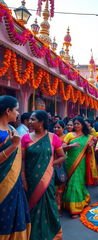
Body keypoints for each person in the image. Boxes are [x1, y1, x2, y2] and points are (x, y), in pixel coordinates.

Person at [21, 110, 65, 240]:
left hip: (47, 178)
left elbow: (62, 156)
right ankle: (32, 234)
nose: (30, 122)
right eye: (30, 119)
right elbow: (22, 160)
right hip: (30, 178)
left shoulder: (53, 137)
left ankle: (53, 233)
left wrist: (50, 164)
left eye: (33, 119)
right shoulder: (26, 138)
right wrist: (23, 178)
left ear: (41, 122)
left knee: (49, 205)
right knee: (31, 206)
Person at [0, 96, 31, 240]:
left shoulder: (12, 129)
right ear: (7, 111)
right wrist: (13, 145)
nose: (18, 113)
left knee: (14, 213)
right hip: (3, 183)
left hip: (15, 181)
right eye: (16, 110)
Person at [63, 116, 97, 218]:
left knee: (77, 182)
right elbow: (62, 147)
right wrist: (70, 146)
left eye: (78, 123)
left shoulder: (88, 137)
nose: (76, 125)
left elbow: (90, 152)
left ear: (82, 125)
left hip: (81, 163)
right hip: (70, 162)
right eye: (75, 124)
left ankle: (76, 208)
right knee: (71, 182)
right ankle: (71, 204)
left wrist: (91, 146)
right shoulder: (69, 135)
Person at [53, 120, 66, 215]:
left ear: (63, 129)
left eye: (59, 127)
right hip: (51, 163)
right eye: (55, 127)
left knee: (60, 187)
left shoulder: (66, 137)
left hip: (60, 164)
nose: (56, 129)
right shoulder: (51, 137)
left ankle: (59, 208)